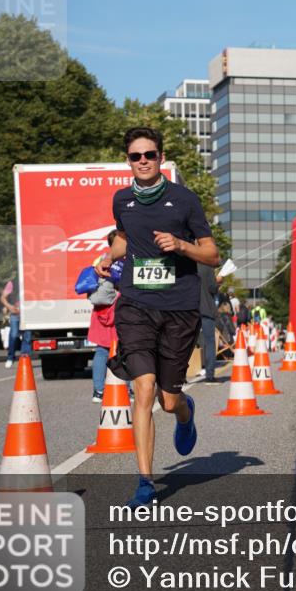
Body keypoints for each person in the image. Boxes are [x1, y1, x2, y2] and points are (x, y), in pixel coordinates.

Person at [96, 126, 219, 508]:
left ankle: (185, 412)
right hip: (135, 304)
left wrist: (181, 245)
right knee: (143, 387)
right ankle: (146, 482)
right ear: (128, 161)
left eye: (149, 154)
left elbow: (212, 253)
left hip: (179, 308)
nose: (143, 161)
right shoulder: (122, 200)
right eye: (136, 156)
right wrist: (109, 256)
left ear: (160, 158)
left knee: (168, 400)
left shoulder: (184, 200)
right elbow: (123, 237)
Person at [88, 231, 124, 402]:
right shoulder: (125, 261)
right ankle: (127, 389)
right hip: (119, 309)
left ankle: (98, 391)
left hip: (101, 311)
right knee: (125, 350)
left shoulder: (99, 261)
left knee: (101, 351)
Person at [0, 277, 32, 369]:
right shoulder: (12, 283)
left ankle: (24, 358)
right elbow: (2, 298)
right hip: (15, 314)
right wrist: (9, 306)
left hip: (27, 314)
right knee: (13, 335)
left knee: (27, 337)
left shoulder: (31, 281)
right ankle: (10, 357)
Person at [197, 262, 220, 384]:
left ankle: (180, 376)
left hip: (188, 309)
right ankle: (209, 375)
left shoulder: (186, 263)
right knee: (210, 342)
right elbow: (212, 288)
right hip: (206, 308)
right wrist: (219, 281)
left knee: (185, 343)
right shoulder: (207, 266)